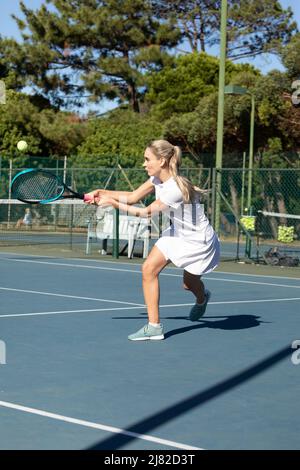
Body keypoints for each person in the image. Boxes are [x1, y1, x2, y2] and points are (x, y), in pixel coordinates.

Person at [86, 140, 220, 341]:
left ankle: (202, 299)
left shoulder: (174, 188)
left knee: (188, 284)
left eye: (147, 159)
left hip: (197, 241)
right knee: (148, 269)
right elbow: (131, 197)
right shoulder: (155, 179)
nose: (144, 164)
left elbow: (146, 213)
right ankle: (154, 326)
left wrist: (112, 203)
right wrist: (102, 193)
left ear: (163, 161)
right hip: (177, 233)